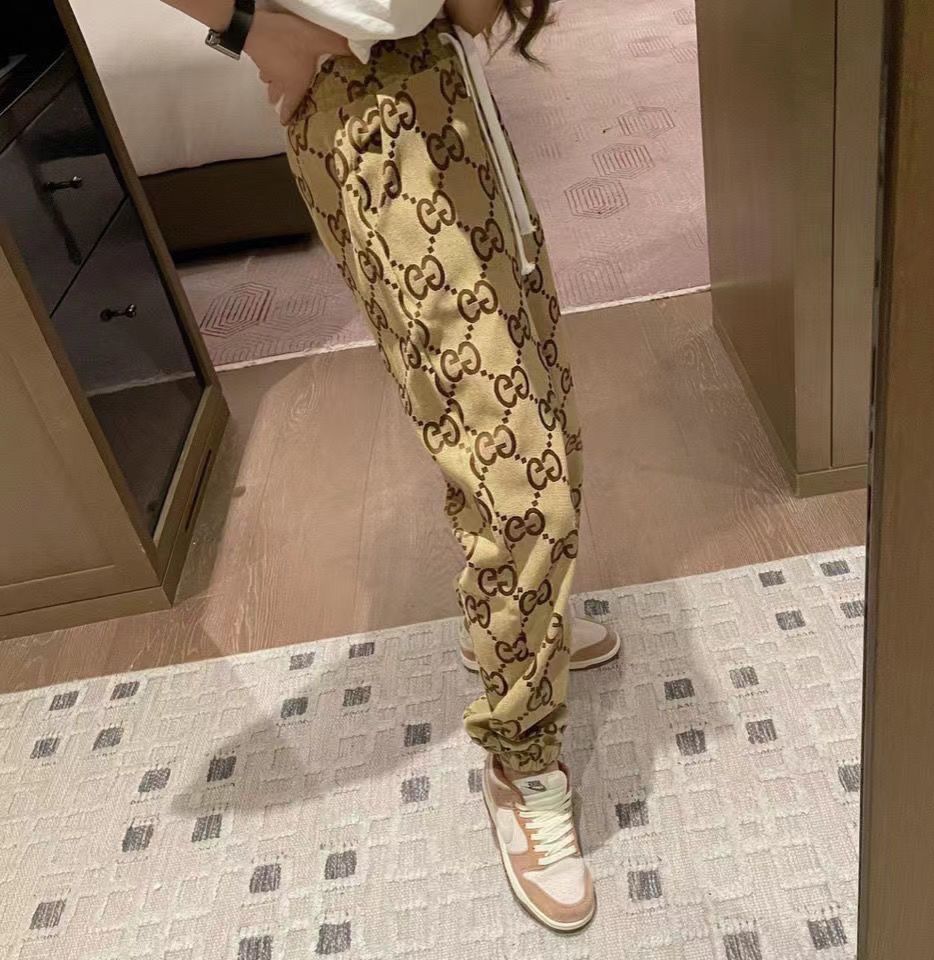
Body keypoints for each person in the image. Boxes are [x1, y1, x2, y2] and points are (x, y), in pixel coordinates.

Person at [162, 0, 620, 931]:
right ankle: (522, 760)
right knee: (519, 485)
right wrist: (255, 26)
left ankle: (525, 641)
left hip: (443, 86)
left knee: (541, 403)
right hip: (370, 114)